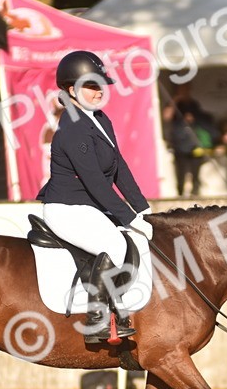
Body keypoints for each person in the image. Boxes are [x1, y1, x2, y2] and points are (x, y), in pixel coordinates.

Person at [37, 50, 153, 343]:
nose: (99, 90)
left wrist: (142, 209)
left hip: (88, 205)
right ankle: (97, 319)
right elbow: (95, 184)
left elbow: (119, 169)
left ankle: (120, 308)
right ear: (69, 90)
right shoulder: (73, 128)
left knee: (129, 237)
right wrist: (129, 218)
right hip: (68, 208)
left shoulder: (100, 119)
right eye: (90, 85)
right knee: (114, 243)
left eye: (100, 84)